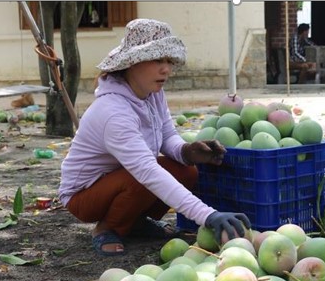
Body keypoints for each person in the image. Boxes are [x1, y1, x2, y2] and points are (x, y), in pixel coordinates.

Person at [58, 18, 251, 256]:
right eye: (157, 60)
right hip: (83, 195)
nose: (166, 69)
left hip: (124, 177)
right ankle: (107, 228)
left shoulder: (152, 93)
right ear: (132, 63)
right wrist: (208, 216)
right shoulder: (113, 112)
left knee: (186, 171)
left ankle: (135, 223)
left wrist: (186, 151)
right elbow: (147, 171)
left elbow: (167, 135)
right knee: (143, 177)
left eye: (169, 61)